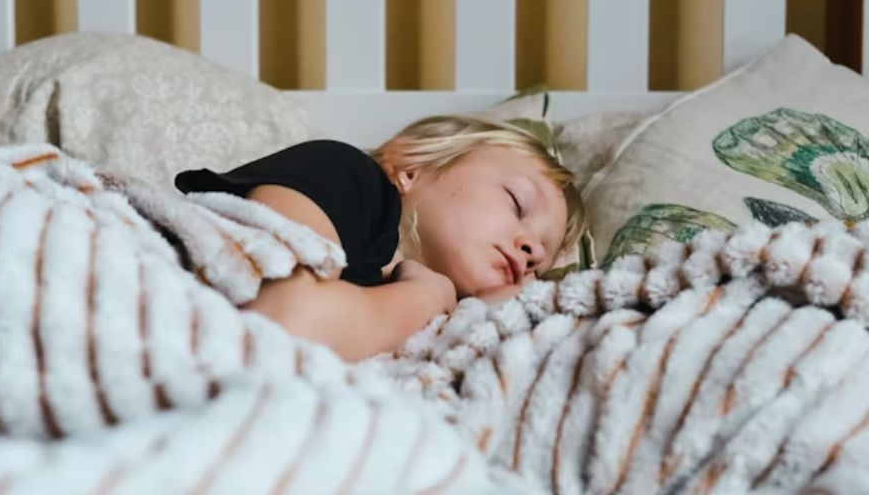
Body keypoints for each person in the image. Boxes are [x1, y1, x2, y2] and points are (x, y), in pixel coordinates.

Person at [174, 115, 586, 362]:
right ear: (410, 169)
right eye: (517, 202)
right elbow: (284, 326)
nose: (533, 250)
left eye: (541, 265)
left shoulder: (441, 331)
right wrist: (428, 294)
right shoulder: (346, 175)